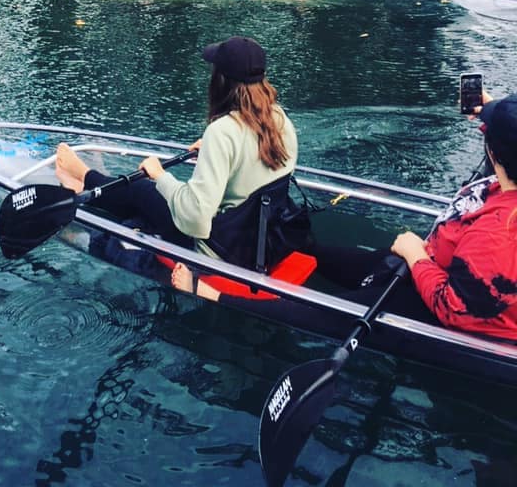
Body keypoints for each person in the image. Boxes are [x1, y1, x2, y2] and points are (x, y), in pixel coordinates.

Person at [173, 90, 517, 341]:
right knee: (313, 253)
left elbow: (457, 309)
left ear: (495, 151)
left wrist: (416, 257)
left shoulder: (501, 232)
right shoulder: (504, 181)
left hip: (427, 298)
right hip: (422, 266)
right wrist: (492, 114)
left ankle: (214, 294)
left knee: (322, 310)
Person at [55, 35, 298, 261]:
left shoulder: (222, 132)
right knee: (145, 195)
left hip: (218, 246)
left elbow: (195, 218)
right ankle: (86, 185)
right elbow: (255, 170)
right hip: (262, 237)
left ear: (221, 80)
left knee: (144, 188)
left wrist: (160, 175)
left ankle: (83, 177)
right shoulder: (280, 118)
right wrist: (218, 156)